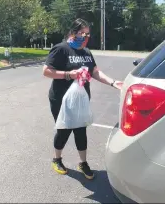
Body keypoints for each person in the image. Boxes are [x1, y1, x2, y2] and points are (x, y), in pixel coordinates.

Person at [43, 18, 123, 180]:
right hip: (61, 99)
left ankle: (83, 163)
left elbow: (95, 72)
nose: (85, 37)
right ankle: (56, 159)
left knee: (81, 130)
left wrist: (113, 82)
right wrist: (68, 74)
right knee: (64, 130)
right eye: (82, 33)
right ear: (73, 32)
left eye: (87, 34)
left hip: (80, 99)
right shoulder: (61, 49)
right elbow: (46, 71)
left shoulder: (86, 52)